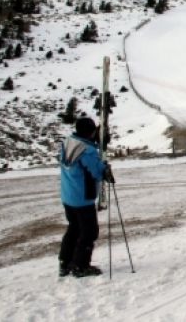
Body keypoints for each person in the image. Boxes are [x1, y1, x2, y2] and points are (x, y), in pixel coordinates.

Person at [58, 117, 113, 278]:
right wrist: (105, 169)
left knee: (73, 229)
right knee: (89, 232)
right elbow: (96, 171)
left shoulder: (68, 143)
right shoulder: (86, 151)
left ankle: (65, 262)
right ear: (90, 132)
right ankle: (80, 266)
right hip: (82, 198)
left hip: (68, 196)